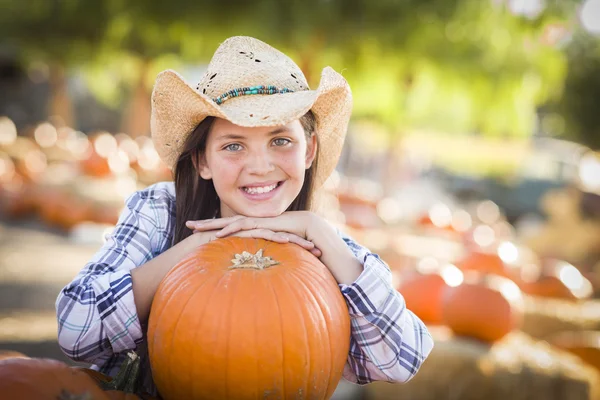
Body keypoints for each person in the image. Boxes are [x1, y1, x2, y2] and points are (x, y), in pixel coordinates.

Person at [56, 36, 434, 396]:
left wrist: (320, 231)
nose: (259, 166)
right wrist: (196, 247)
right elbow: (75, 330)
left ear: (308, 150)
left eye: (280, 140)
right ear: (202, 160)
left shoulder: (322, 245)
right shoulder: (162, 211)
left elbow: (403, 359)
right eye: (234, 145)